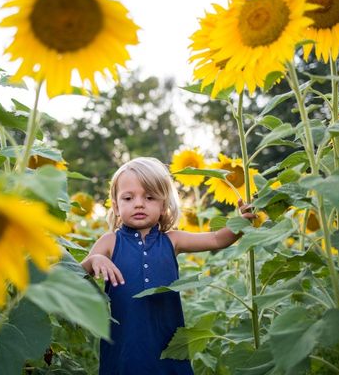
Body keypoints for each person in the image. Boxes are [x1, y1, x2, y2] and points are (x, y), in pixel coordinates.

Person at [81, 157, 255, 375]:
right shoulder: (109, 242)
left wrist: (241, 222)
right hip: (126, 340)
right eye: (128, 197)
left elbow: (218, 239)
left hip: (166, 336)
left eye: (150, 197)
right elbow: (77, 275)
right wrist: (93, 260)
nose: (139, 203)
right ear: (116, 206)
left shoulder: (172, 240)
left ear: (163, 206)